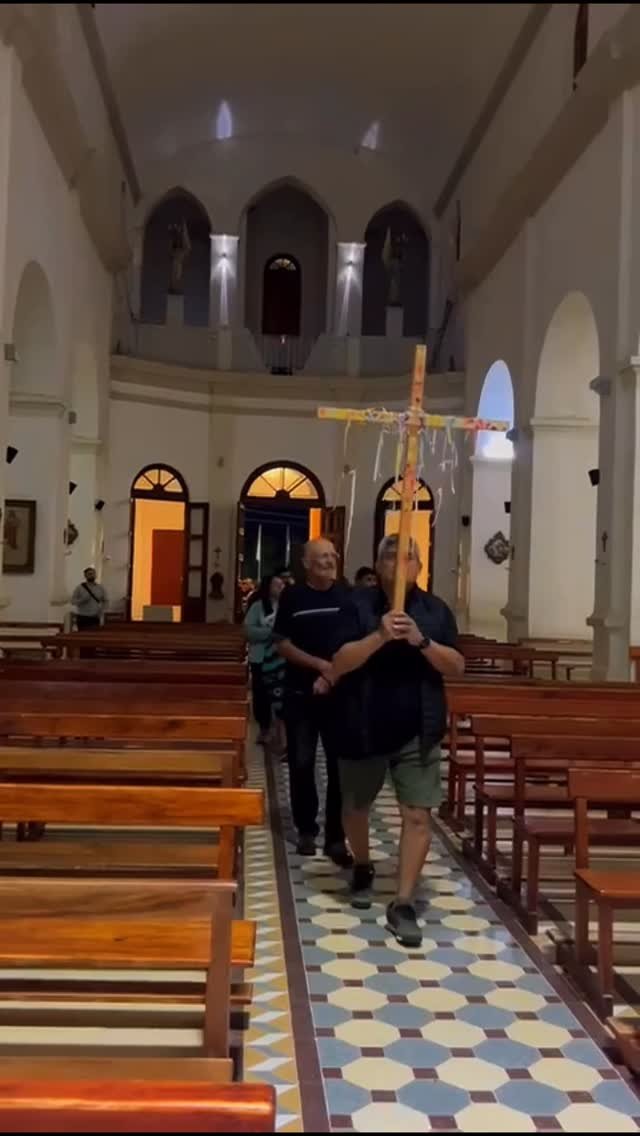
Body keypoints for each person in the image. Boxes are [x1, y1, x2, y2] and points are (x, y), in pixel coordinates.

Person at [329, 534, 464, 947]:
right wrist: (379, 636)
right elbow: (339, 662)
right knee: (355, 807)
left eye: (407, 556)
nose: (398, 562)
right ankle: (363, 864)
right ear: (378, 565)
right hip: (362, 723)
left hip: (417, 728)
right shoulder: (356, 605)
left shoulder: (435, 610)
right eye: (389, 556)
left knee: (418, 815)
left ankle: (403, 902)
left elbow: (456, 666)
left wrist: (422, 641)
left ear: (419, 567)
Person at [274, 538, 352, 866]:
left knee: (339, 767)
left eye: (332, 555)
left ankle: (336, 836)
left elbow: (356, 642)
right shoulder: (293, 596)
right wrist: (319, 665)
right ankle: (306, 828)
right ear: (306, 563)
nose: (329, 561)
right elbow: (282, 644)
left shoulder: (347, 595)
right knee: (302, 762)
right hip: (300, 694)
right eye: (321, 557)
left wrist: (333, 673)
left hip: (339, 696)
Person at [244, 574, 284, 745]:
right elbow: (248, 631)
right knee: (261, 694)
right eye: (277, 585)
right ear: (268, 587)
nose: (281, 588)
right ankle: (264, 728)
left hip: (281, 658)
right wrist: (270, 633)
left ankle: (281, 733)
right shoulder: (258, 606)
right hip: (260, 657)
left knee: (280, 695)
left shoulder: (286, 606)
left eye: (282, 585)